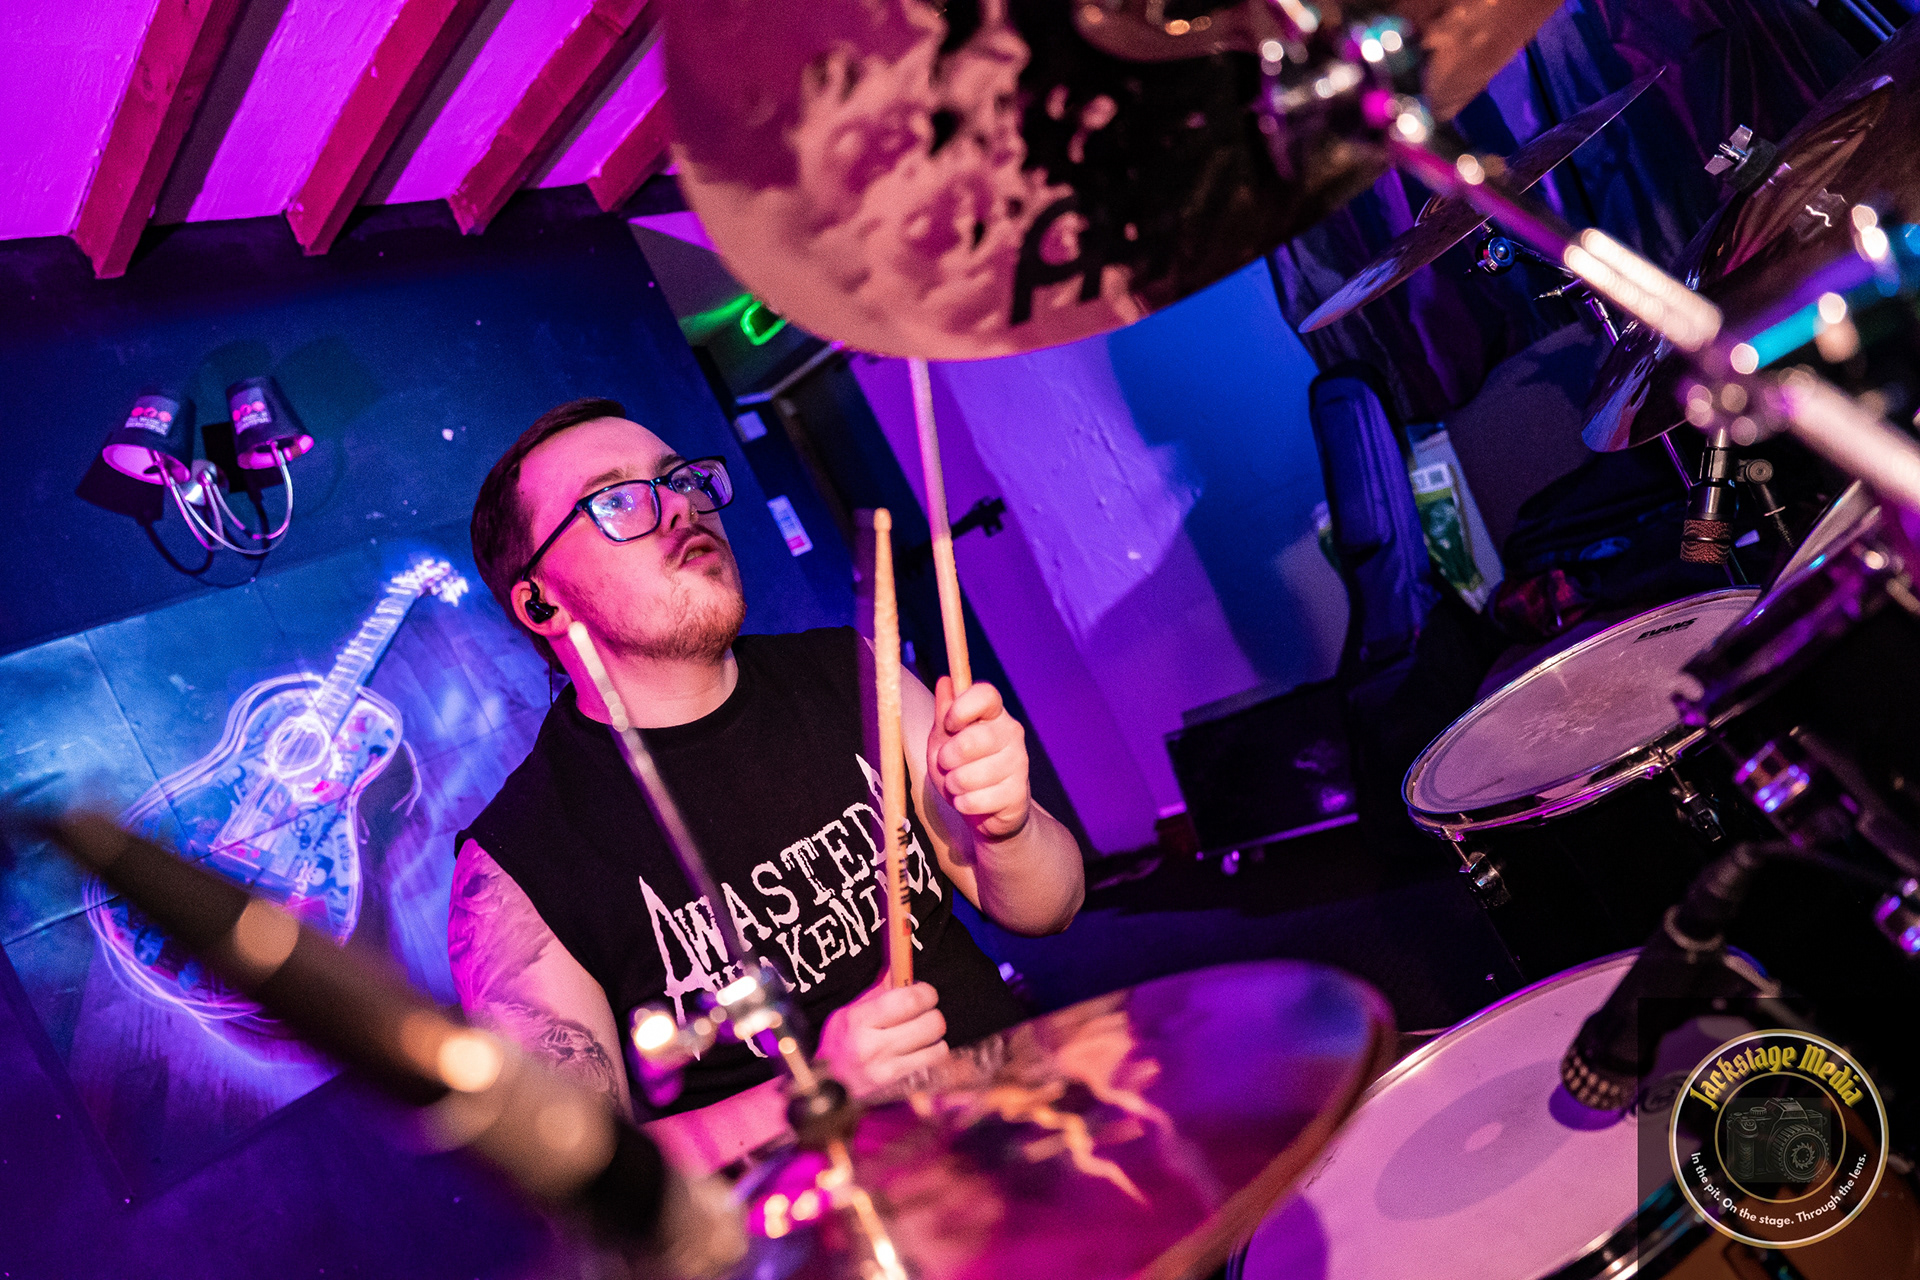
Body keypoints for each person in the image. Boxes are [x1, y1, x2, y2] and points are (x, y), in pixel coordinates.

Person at [451, 398, 1084, 1173]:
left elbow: (1049, 908)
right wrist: (815, 1092)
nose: (679, 507)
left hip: (1022, 1140)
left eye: (680, 479)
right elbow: (572, 1167)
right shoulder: (515, 866)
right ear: (540, 601)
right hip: (820, 1222)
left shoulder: (852, 670)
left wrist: (1008, 829)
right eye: (616, 501)